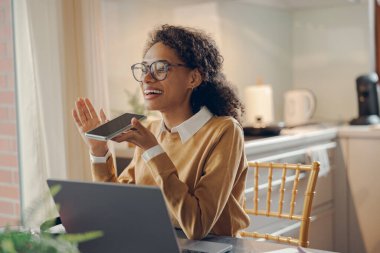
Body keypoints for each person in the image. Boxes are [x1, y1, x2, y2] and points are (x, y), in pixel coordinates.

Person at [72, 24, 250, 240]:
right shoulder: (150, 130)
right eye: (144, 69)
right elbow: (117, 208)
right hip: (158, 241)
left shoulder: (224, 131)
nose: (147, 78)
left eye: (159, 68)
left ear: (193, 78)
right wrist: (99, 152)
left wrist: (152, 150)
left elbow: (198, 225)